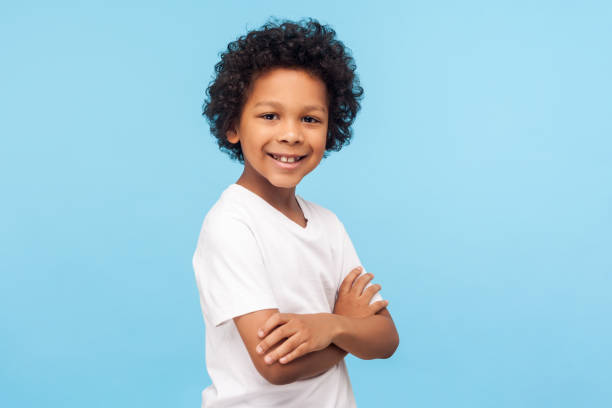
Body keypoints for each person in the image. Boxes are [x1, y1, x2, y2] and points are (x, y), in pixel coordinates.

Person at [192, 18, 399, 407]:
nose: (291, 134)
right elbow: (275, 364)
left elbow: (386, 339)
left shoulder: (327, 224)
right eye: (270, 116)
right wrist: (347, 332)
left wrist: (332, 324)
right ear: (233, 125)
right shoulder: (232, 224)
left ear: (330, 127)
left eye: (310, 119)